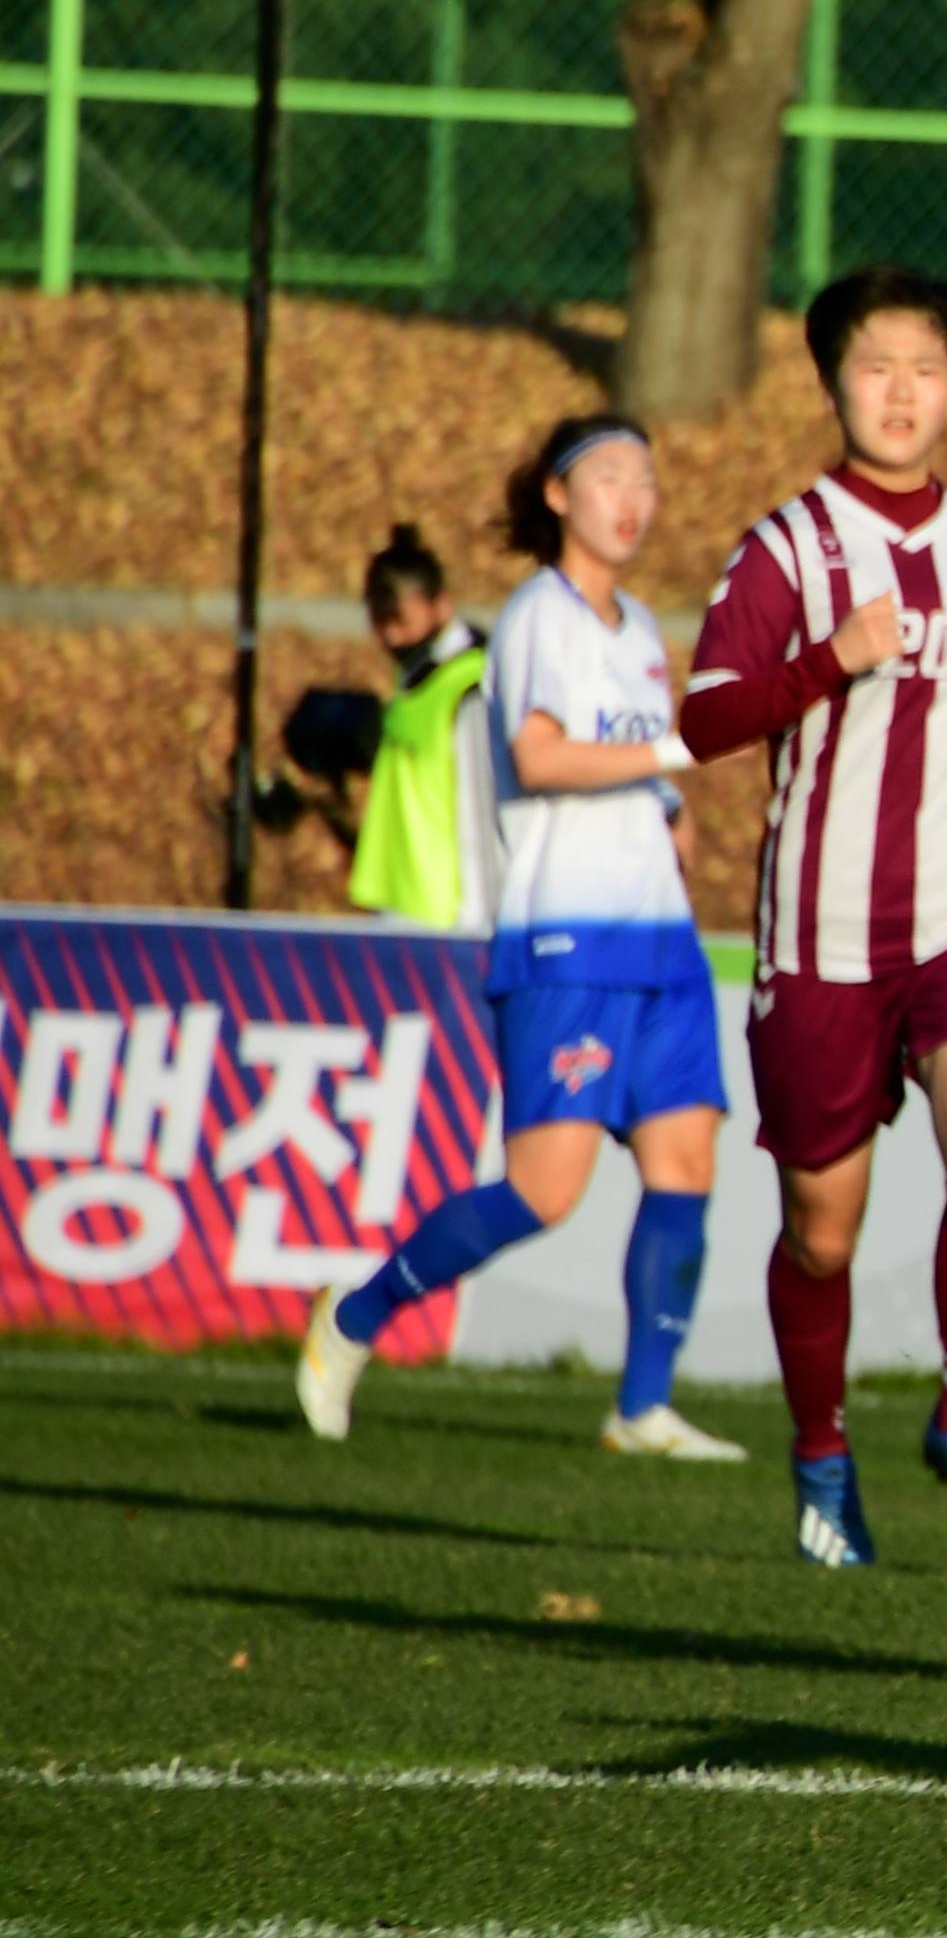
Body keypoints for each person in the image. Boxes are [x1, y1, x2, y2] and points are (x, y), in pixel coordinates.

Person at [675, 267, 947, 1569]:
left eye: (926, 368)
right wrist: (827, 660)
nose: (901, 392)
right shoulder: (787, 548)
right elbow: (708, 717)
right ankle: (823, 1454)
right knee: (821, 1233)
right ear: (833, 381)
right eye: (876, 366)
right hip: (819, 931)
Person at [297, 424, 742, 1463]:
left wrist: (668, 800)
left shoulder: (636, 626)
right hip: (566, 938)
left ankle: (642, 1406)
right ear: (557, 495)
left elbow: (631, 755)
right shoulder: (539, 615)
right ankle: (356, 1316)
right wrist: (670, 752)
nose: (632, 497)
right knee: (546, 1189)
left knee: (685, 1159)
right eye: (607, 477)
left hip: (660, 939)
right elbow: (539, 758)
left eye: (646, 477)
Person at [291, 528, 490, 927]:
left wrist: (477, 921)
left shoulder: (472, 690)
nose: (391, 636)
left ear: (442, 606)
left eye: (401, 621)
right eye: (381, 623)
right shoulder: (419, 680)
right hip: (401, 908)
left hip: (447, 921)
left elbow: (479, 812)